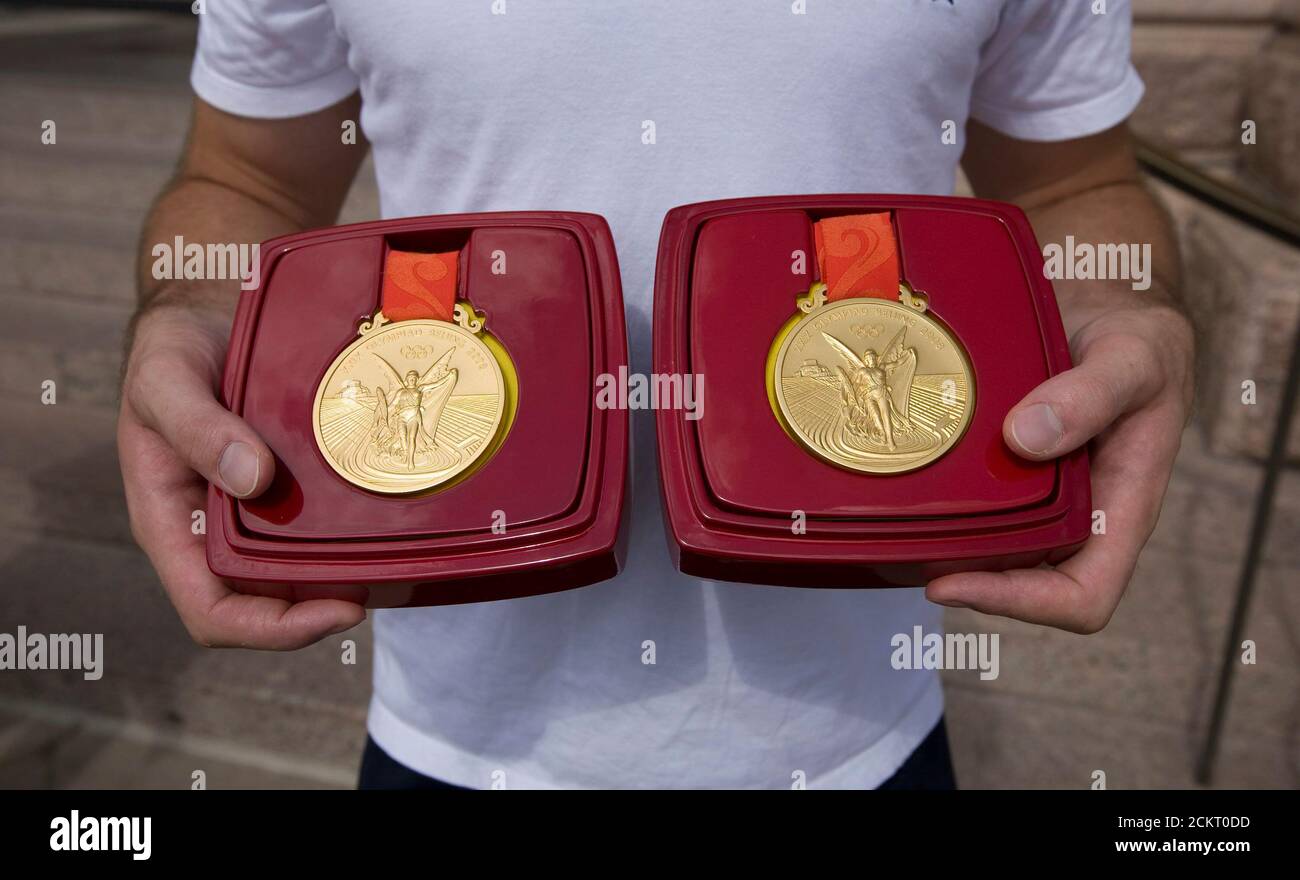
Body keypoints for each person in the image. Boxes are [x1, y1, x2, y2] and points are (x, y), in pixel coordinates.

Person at [118, 0, 1193, 789]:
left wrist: (1128, 308)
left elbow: (1068, 183)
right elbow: (248, 177)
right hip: (460, 729)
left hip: (856, 731)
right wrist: (188, 312)